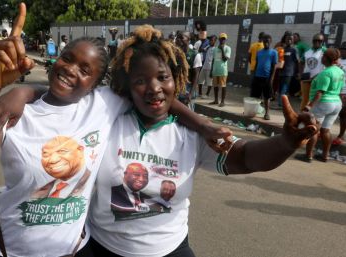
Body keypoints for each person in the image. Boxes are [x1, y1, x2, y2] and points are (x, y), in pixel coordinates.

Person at [0, 5, 232, 256]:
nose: (71, 70)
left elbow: (159, 98)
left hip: (75, 249)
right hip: (10, 249)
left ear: (97, 84)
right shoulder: (21, 112)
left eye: (85, 70)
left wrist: (202, 124)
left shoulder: (103, 104)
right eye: (67, 58)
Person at [87, 25, 318, 257]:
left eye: (162, 77)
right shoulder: (108, 121)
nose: (154, 88)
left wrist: (285, 142)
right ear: (127, 86)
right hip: (103, 246)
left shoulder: (193, 132)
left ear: (175, 78)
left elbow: (246, 157)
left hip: (169, 249)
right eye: (140, 81)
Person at [296, 48, 344, 163]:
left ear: (327, 59)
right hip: (336, 103)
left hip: (323, 103)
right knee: (326, 130)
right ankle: (325, 156)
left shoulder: (326, 73)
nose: (321, 58)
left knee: (314, 129)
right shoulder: (339, 71)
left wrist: (309, 105)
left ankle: (308, 156)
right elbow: (339, 88)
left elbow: (320, 92)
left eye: (323, 56)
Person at [250, 34, 278, 120]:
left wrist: (271, 78)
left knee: (267, 97)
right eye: (265, 41)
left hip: (267, 78)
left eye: (268, 42)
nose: (266, 43)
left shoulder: (274, 52)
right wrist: (254, 75)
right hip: (257, 76)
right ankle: (252, 112)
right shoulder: (259, 52)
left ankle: (267, 113)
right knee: (255, 96)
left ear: (270, 42)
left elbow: (274, 66)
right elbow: (257, 64)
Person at [299, 33, 327, 111]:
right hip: (306, 79)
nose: (317, 42)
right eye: (315, 40)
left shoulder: (325, 51)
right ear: (312, 41)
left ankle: (311, 118)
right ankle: (302, 116)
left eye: (320, 41)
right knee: (305, 99)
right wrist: (301, 74)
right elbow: (301, 62)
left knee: (315, 100)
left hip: (318, 80)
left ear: (323, 42)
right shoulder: (307, 50)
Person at [175, 31, 202, 108]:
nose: (178, 39)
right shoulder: (174, 54)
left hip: (187, 90)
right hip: (176, 89)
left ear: (188, 40)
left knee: (187, 116)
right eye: (177, 37)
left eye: (181, 38)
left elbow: (196, 76)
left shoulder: (195, 55)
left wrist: (190, 94)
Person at [274, 31, 299, 109]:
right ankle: (280, 104)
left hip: (288, 73)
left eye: (291, 39)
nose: (289, 40)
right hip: (281, 72)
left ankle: (281, 105)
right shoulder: (282, 49)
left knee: (284, 89)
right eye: (288, 39)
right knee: (280, 89)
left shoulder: (294, 50)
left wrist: (297, 72)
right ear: (284, 39)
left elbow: (297, 62)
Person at [209, 33, 231, 107]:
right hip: (215, 70)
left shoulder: (228, 48)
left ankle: (222, 101)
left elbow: (225, 59)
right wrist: (211, 70)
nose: (223, 40)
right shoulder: (215, 49)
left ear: (225, 40)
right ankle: (216, 100)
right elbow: (213, 60)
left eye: (224, 39)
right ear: (219, 39)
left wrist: (222, 49)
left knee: (223, 86)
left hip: (223, 71)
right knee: (215, 86)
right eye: (221, 38)